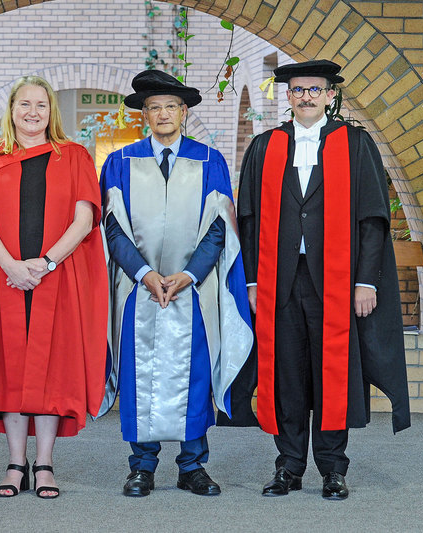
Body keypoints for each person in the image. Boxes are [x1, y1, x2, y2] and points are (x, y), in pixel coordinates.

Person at [236, 59, 411, 500]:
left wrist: (367, 281)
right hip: (281, 279)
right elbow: (250, 220)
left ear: (330, 95)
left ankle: (333, 468)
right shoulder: (264, 146)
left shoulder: (355, 144)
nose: (306, 97)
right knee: (288, 374)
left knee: (332, 372)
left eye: (315, 89)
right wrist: (254, 281)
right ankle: (288, 467)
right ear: (288, 96)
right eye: (298, 90)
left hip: (336, 281)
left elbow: (373, 218)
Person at [98, 70, 254, 498]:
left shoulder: (209, 160)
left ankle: (192, 465)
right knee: (139, 373)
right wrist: (144, 274)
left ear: (184, 112)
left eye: (171, 106)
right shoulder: (121, 162)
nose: (163, 113)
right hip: (138, 290)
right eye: (154, 107)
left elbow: (221, 228)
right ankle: (142, 466)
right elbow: (112, 228)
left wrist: (189, 274)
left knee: (196, 374)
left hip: (194, 291)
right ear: (143, 115)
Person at [0, 75, 108, 499]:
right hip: (5, 276)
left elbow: (84, 220)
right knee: (10, 367)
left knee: (51, 369)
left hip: (56, 276)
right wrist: (12, 265)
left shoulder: (74, 155)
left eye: (40, 105)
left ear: (51, 111)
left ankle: (44, 464)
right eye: (24, 104)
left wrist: (43, 264)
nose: (32, 112)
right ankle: (14, 463)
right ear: (11, 110)